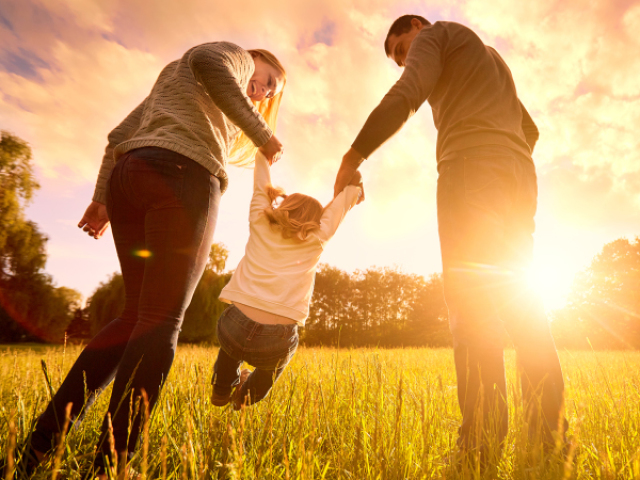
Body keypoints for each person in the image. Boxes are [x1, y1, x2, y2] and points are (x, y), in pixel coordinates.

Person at [20, 42, 287, 478]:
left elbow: (116, 137)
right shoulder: (232, 56)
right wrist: (263, 134)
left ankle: (37, 447)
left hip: (131, 178)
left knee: (135, 320)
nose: (262, 92)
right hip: (183, 177)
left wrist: (101, 198)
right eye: (267, 81)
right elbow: (208, 61)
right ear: (253, 60)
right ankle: (111, 464)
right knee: (162, 322)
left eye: (269, 94)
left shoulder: (175, 83)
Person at [333, 15, 568, 459]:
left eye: (404, 49)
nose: (405, 61)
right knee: (523, 305)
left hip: (470, 170)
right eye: (399, 58)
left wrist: (354, 154)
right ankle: (548, 436)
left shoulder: (436, 36)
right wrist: (502, 155)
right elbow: (529, 129)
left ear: (418, 27)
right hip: (519, 176)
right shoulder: (490, 57)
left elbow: (407, 94)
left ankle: (480, 443)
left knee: (472, 304)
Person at [211, 151, 362, 410]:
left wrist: (263, 155)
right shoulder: (318, 237)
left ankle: (222, 388)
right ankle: (245, 398)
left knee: (231, 345)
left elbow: (261, 185)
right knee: (271, 369)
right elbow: (339, 208)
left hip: (235, 324)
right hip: (277, 337)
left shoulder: (260, 220)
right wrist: (353, 189)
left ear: (284, 206)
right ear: (317, 221)